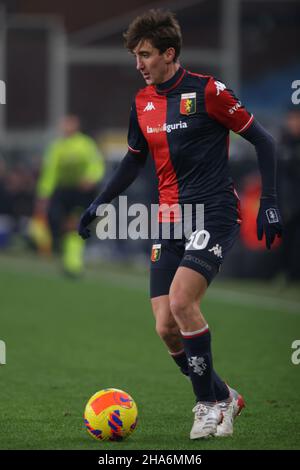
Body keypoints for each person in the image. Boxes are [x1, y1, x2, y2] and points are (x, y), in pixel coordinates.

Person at [78, 10, 282, 438]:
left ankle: (208, 406)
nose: (139, 64)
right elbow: (133, 161)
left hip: (213, 212)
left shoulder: (209, 92)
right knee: (166, 326)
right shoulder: (142, 102)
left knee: (182, 302)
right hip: (169, 217)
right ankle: (224, 393)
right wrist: (100, 202)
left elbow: (263, 139)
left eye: (146, 54)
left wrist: (270, 201)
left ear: (169, 54)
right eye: (136, 55)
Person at [36, 114, 105, 276]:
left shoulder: (85, 144)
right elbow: (49, 172)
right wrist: (43, 194)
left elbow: (96, 164)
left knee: (75, 224)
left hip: (81, 192)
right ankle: (66, 257)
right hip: (62, 191)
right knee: (59, 224)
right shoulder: (57, 147)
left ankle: (74, 263)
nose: (66, 127)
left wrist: (91, 178)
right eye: (64, 124)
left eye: (70, 124)